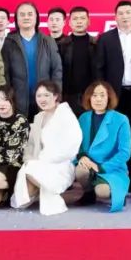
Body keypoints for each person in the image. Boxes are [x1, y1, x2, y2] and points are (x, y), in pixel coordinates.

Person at [11, 81, 82, 216]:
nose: (42, 99)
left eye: (46, 95)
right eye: (39, 96)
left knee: (31, 171)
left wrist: (46, 159)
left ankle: (50, 194)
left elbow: (72, 146)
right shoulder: (38, 117)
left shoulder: (65, 115)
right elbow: (31, 145)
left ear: (55, 96)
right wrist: (30, 159)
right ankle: (44, 191)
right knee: (23, 200)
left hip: (61, 165)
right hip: (40, 163)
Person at [73, 81, 131, 212]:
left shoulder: (121, 119)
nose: (98, 99)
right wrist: (82, 156)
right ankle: (89, 193)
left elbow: (124, 152)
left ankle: (118, 193)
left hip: (112, 167)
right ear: (89, 98)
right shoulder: (83, 117)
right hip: (90, 164)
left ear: (109, 97)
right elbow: (77, 144)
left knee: (102, 192)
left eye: (102, 95)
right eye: (94, 95)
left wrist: (101, 167)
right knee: (80, 170)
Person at [1, 2, 62, 117]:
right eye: (22, 14)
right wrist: (8, 97)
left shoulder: (48, 41)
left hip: (45, 99)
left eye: (30, 14)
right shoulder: (9, 42)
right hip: (18, 100)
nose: (26, 17)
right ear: (16, 19)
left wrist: (56, 96)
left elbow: (56, 71)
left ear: (36, 18)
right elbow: (5, 73)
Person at [57, 5, 96, 110]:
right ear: (69, 22)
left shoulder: (96, 44)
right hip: (68, 95)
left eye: (82, 18)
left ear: (88, 21)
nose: (79, 22)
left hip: (91, 94)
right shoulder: (61, 45)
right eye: (75, 19)